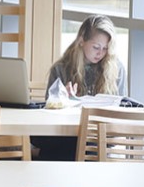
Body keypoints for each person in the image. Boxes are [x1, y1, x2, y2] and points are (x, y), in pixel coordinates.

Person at [32, 14, 128, 161]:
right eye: (96, 47)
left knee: (59, 151)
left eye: (105, 48)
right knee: (58, 143)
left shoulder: (116, 69)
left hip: (100, 136)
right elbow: (49, 115)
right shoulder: (61, 68)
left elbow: (121, 111)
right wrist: (63, 101)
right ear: (81, 40)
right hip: (67, 134)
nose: (100, 53)